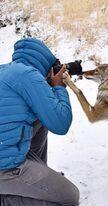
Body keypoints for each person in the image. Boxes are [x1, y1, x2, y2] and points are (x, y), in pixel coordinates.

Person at [0, 38, 79, 206]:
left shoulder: (7, 71)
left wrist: (46, 86)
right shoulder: (28, 74)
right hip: (5, 167)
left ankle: (37, 173)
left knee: (40, 121)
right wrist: (58, 87)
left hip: (5, 150)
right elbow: (60, 124)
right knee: (69, 197)